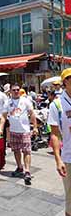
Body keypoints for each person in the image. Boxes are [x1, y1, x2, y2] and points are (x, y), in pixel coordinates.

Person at [0, 83, 38, 185]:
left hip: (24, 131)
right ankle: (19, 167)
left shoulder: (25, 101)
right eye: (14, 90)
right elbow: (3, 116)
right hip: (13, 131)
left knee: (26, 151)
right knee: (16, 150)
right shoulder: (7, 102)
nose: (16, 91)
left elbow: (32, 113)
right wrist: (1, 129)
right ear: (10, 91)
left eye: (17, 89)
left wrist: (35, 127)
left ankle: (27, 171)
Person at [48, 68, 71, 216]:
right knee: (70, 199)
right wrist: (58, 160)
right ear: (65, 82)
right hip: (69, 157)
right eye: (70, 78)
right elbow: (55, 135)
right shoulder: (57, 104)